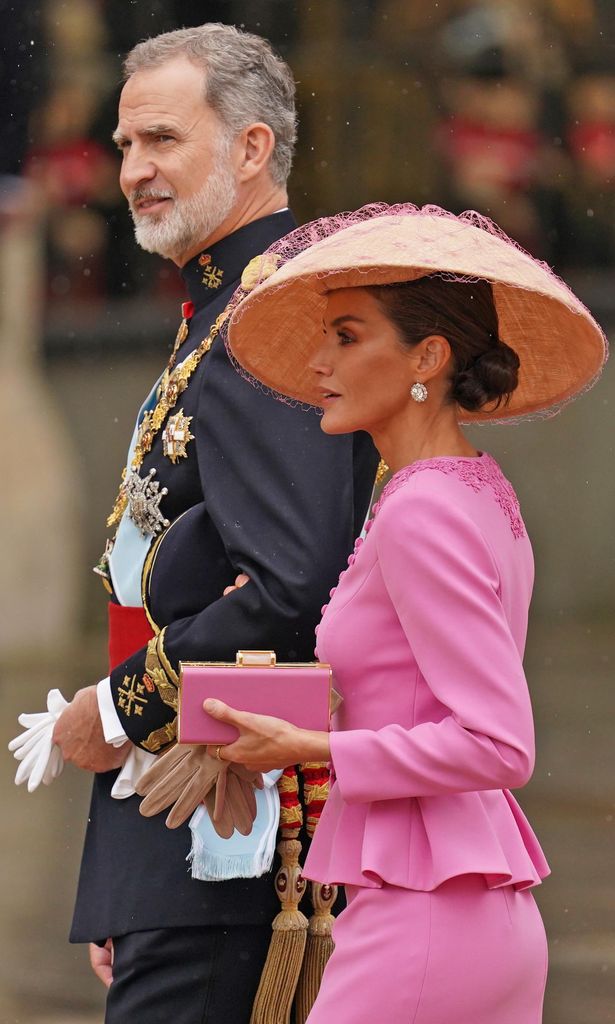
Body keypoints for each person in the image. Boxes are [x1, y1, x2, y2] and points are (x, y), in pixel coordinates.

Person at [160, 203, 607, 1023]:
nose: (318, 360)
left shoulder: (421, 509)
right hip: (464, 906)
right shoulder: (469, 486)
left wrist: (313, 746)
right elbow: (418, 686)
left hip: (427, 922)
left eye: (346, 335)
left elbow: (496, 741)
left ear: (426, 358)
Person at [45, 24, 378, 1024]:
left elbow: (291, 582)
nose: (134, 170)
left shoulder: (269, 324)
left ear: (250, 150)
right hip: (177, 822)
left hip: (227, 816)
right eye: (123, 146)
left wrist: (114, 712)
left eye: (161, 141)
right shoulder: (223, 309)